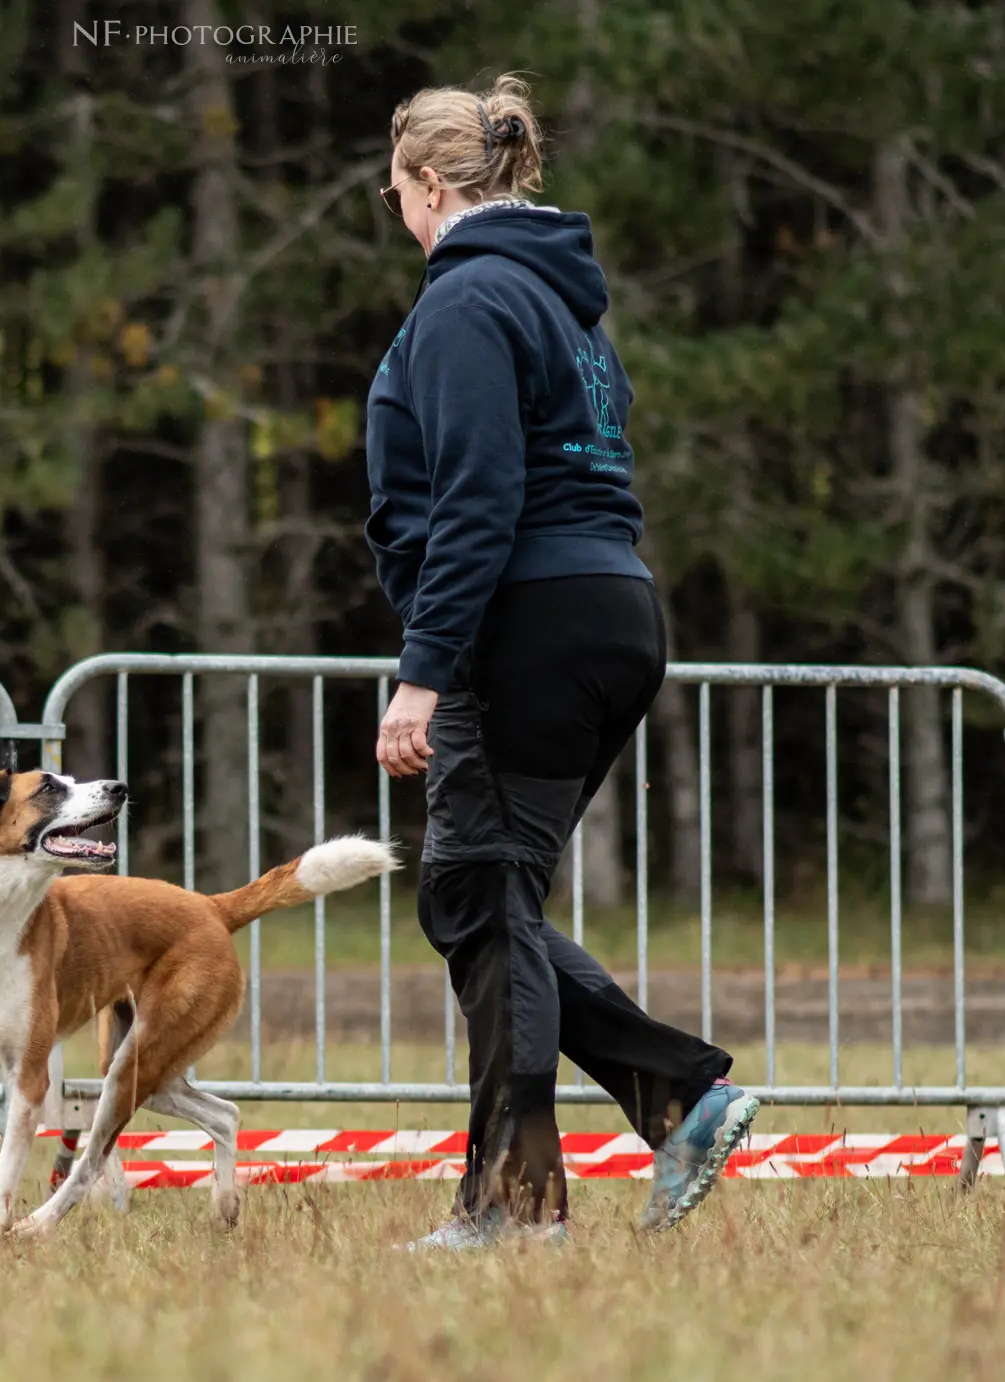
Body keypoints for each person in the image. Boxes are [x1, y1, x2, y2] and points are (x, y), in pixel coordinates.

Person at [365, 74, 759, 1250]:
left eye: (392, 192)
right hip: (608, 606)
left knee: (477, 892)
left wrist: (423, 670)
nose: (393, 212)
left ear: (433, 185)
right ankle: (677, 1096)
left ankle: (513, 1206)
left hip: (523, 620)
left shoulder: (468, 299)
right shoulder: (568, 307)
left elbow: (479, 498)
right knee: (489, 895)